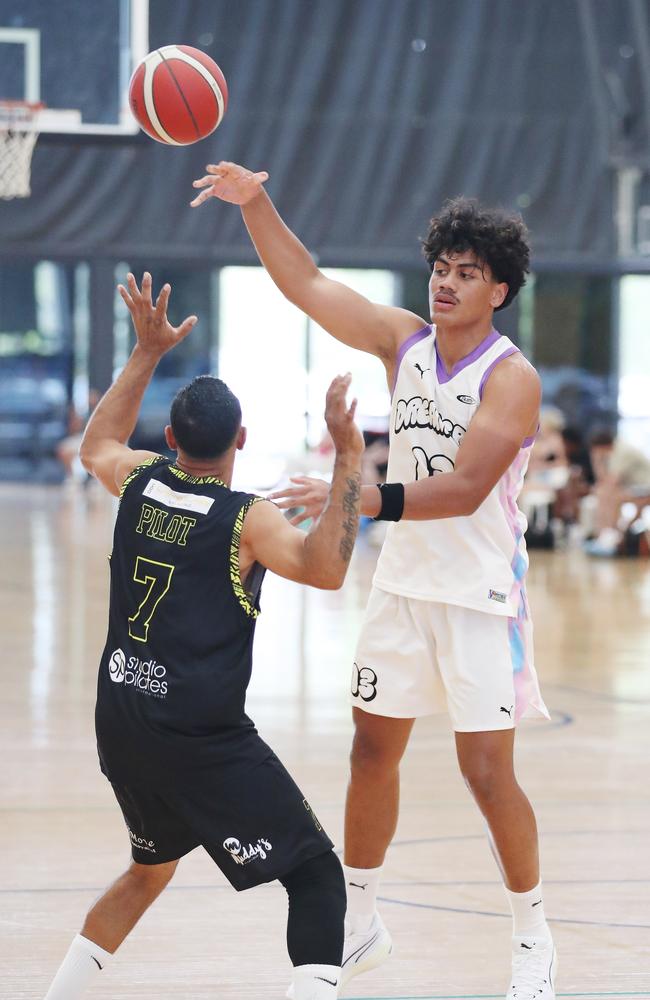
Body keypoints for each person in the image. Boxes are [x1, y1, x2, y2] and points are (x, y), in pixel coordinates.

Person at [191, 164, 557, 999]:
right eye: (441, 267)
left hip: (477, 599)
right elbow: (308, 282)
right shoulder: (405, 343)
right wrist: (258, 204)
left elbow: (464, 488)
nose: (447, 283)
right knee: (369, 751)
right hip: (401, 588)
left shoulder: (512, 378)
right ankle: (361, 921)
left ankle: (533, 935)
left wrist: (357, 492)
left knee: (487, 776)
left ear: (498, 290)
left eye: (468, 273)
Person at [43, 272, 364, 1000]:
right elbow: (327, 570)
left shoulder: (137, 479)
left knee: (150, 868)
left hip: (122, 719)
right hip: (197, 735)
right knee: (315, 875)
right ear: (241, 440)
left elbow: (96, 444)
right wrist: (347, 455)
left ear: (170, 437)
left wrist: (146, 353)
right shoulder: (246, 520)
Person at [585, 427, 650, 556]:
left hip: (645, 488)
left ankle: (610, 535)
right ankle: (606, 535)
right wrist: (597, 461)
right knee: (603, 493)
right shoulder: (613, 452)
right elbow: (602, 480)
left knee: (609, 495)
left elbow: (611, 481)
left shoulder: (622, 451)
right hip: (635, 488)